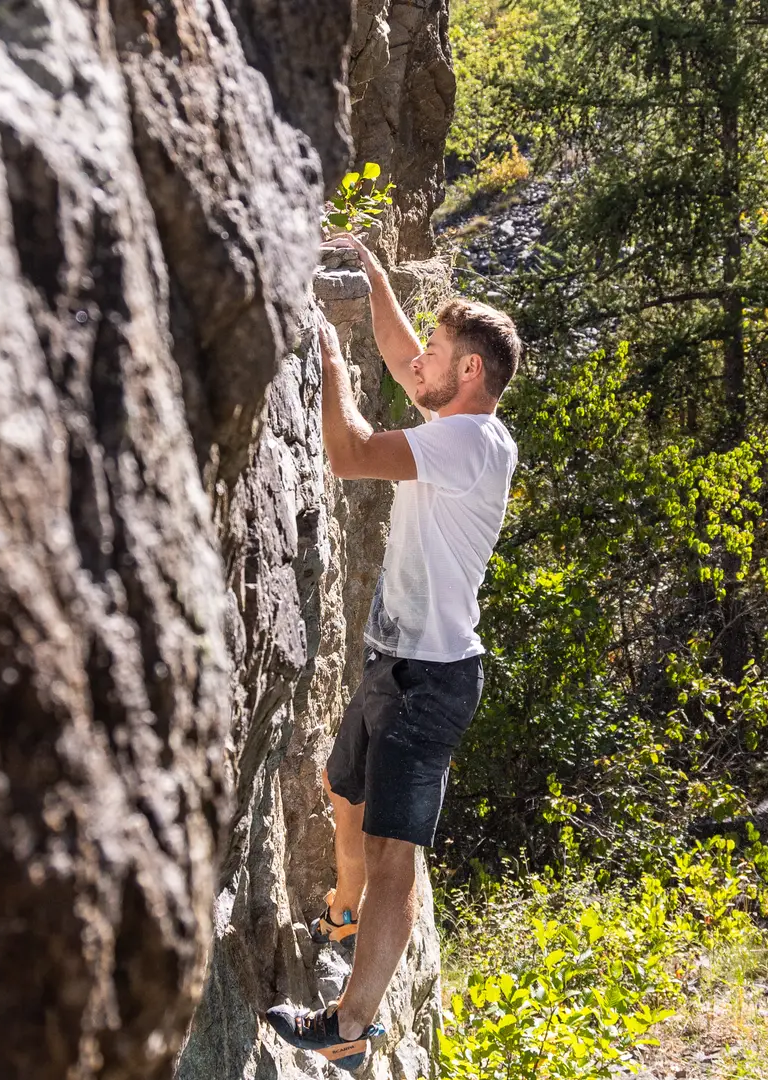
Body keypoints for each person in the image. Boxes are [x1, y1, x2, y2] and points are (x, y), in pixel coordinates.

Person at [263, 232, 521, 1071]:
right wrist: (374, 279)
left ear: (471, 373)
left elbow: (345, 454)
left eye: (441, 352)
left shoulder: (462, 444)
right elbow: (406, 355)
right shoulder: (467, 423)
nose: (423, 363)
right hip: (396, 663)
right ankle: (344, 911)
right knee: (344, 793)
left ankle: (349, 1025)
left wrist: (328, 358)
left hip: (433, 682)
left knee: (392, 855)